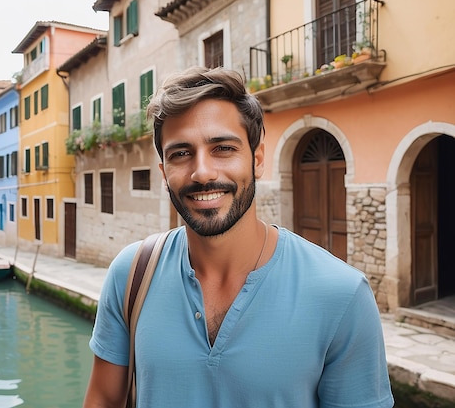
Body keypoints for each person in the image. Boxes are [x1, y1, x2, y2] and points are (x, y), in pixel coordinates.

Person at [83, 67, 394, 408]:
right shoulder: (130, 275)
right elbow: (103, 399)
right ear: (163, 172)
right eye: (181, 154)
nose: (202, 172)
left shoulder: (342, 295)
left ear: (257, 159)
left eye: (223, 148)